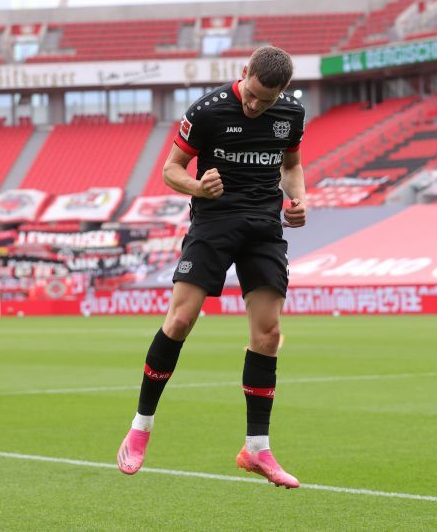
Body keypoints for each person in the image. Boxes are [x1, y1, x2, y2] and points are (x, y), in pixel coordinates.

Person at [116, 46, 306, 489]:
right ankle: (141, 425)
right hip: (214, 221)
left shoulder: (292, 114)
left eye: (268, 100)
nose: (256, 106)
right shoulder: (207, 111)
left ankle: (256, 448)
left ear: (282, 92)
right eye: (253, 95)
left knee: (269, 334)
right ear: (244, 73)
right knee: (181, 319)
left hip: (264, 226)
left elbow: (291, 165)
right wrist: (198, 186)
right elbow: (170, 169)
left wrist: (299, 200)